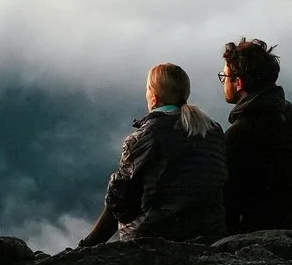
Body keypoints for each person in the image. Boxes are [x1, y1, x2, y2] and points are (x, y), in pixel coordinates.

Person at [79, 63, 228, 246]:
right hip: (211, 236)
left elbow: (121, 205)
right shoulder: (212, 130)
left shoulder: (143, 137)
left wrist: (86, 246)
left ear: (154, 97)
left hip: (154, 239)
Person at [219, 38, 292, 233]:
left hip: (249, 232)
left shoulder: (240, 133)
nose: (222, 82)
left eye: (224, 76)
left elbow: (227, 195)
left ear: (238, 82)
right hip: (290, 225)